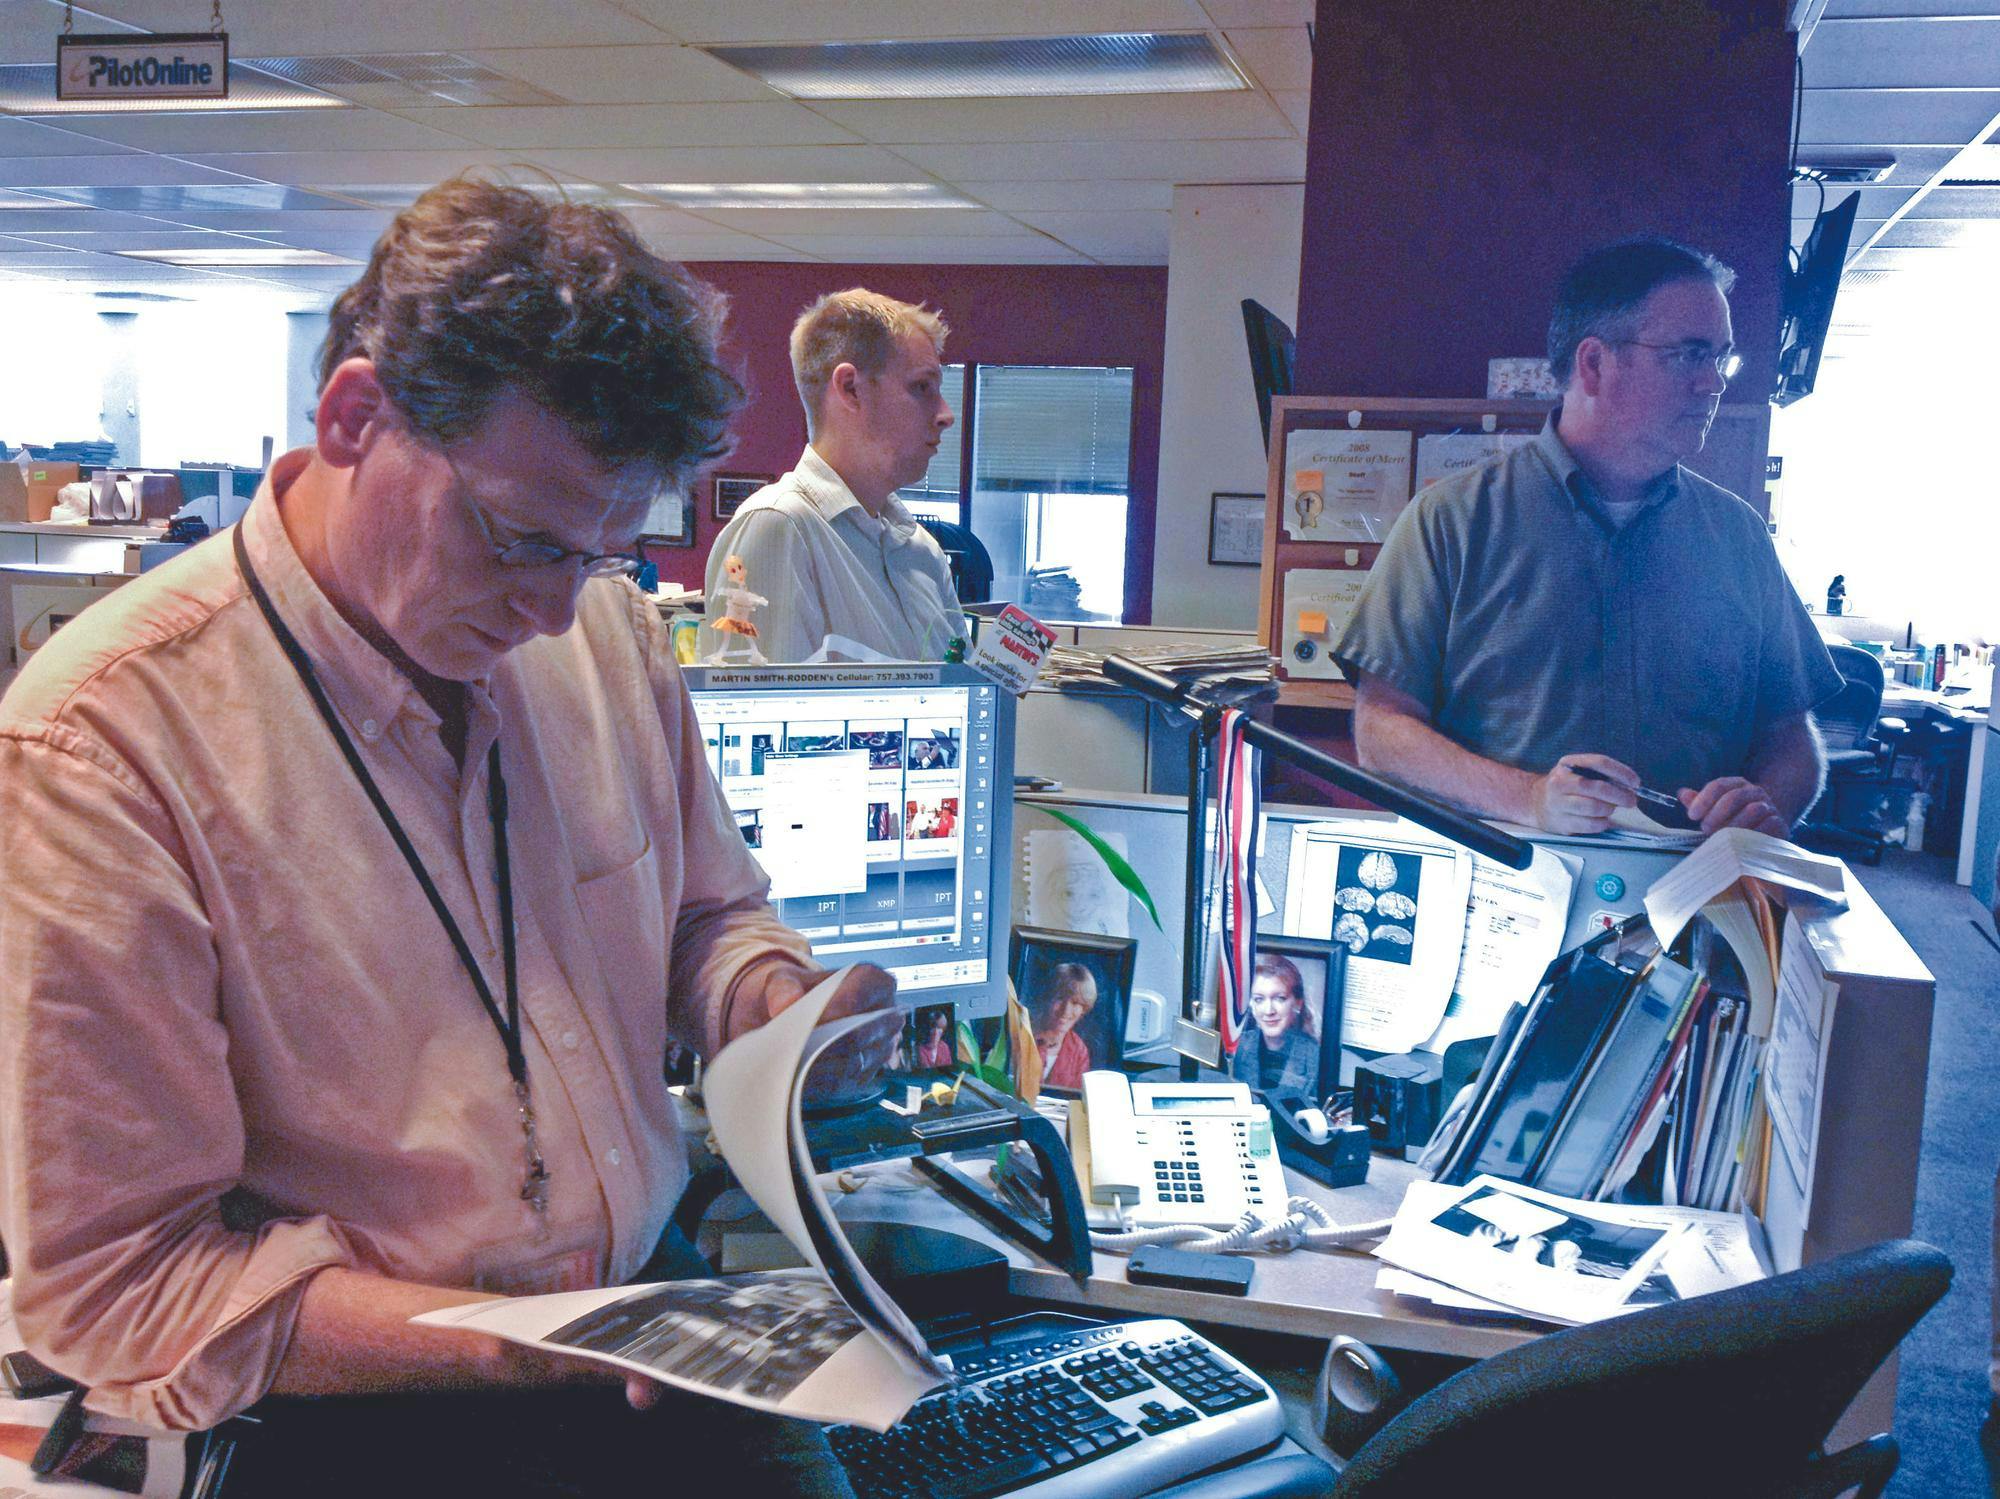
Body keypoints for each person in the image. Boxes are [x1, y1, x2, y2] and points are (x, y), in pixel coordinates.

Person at [0, 177, 892, 1497]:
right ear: (357, 418)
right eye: (520, 538)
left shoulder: (608, 633)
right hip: (358, 1413)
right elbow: (123, 1286)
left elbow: (708, 914)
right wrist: (526, 1349)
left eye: (600, 553)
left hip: (655, 1332)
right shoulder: (103, 746)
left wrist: (770, 1002)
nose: (551, 612)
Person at [1334, 238, 1843, 838]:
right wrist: (1530, 798)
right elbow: (1381, 730)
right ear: (1595, 365)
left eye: (1722, 358)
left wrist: (1764, 805)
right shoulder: (1451, 522)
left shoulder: (1739, 537)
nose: (1714, 383)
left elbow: (1791, 736)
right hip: (1506, 887)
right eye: (1689, 355)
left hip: (1694, 896)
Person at [701, 289, 961, 664]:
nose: (946, 414)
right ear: (851, 388)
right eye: (922, 387)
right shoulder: (779, 528)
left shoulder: (920, 550)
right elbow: (761, 717)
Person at [1229, 955, 1320, 1096]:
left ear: (1297, 1003)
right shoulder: (1238, 1047)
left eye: (1279, 998)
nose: (1269, 1010)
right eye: (1259, 999)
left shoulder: (1314, 1056)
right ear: (1251, 1004)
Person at [1028, 964, 1097, 1092]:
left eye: (1076, 1003)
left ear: (1084, 1009)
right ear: (1047, 997)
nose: (1066, 1011)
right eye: (1060, 999)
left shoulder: (1079, 1051)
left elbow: (1074, 1098)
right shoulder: (1024, 1033)